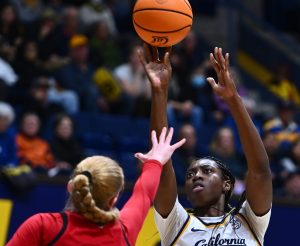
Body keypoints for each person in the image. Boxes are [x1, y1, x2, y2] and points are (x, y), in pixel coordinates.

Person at [139, 46, 272, 245]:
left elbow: (260, 171)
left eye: (207, 171)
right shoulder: (176, 223)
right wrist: (159, 91)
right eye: (190, 174)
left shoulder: (248, 222)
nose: (197, 176)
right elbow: (162, 164)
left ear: (226, 184)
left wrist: (233, 100)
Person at [7, 127, 186, 246]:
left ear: (71, 186)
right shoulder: (124, 231)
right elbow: (144, 193)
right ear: (114, 198)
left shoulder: (43, 226)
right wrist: (155, 161)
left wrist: (154, 162)